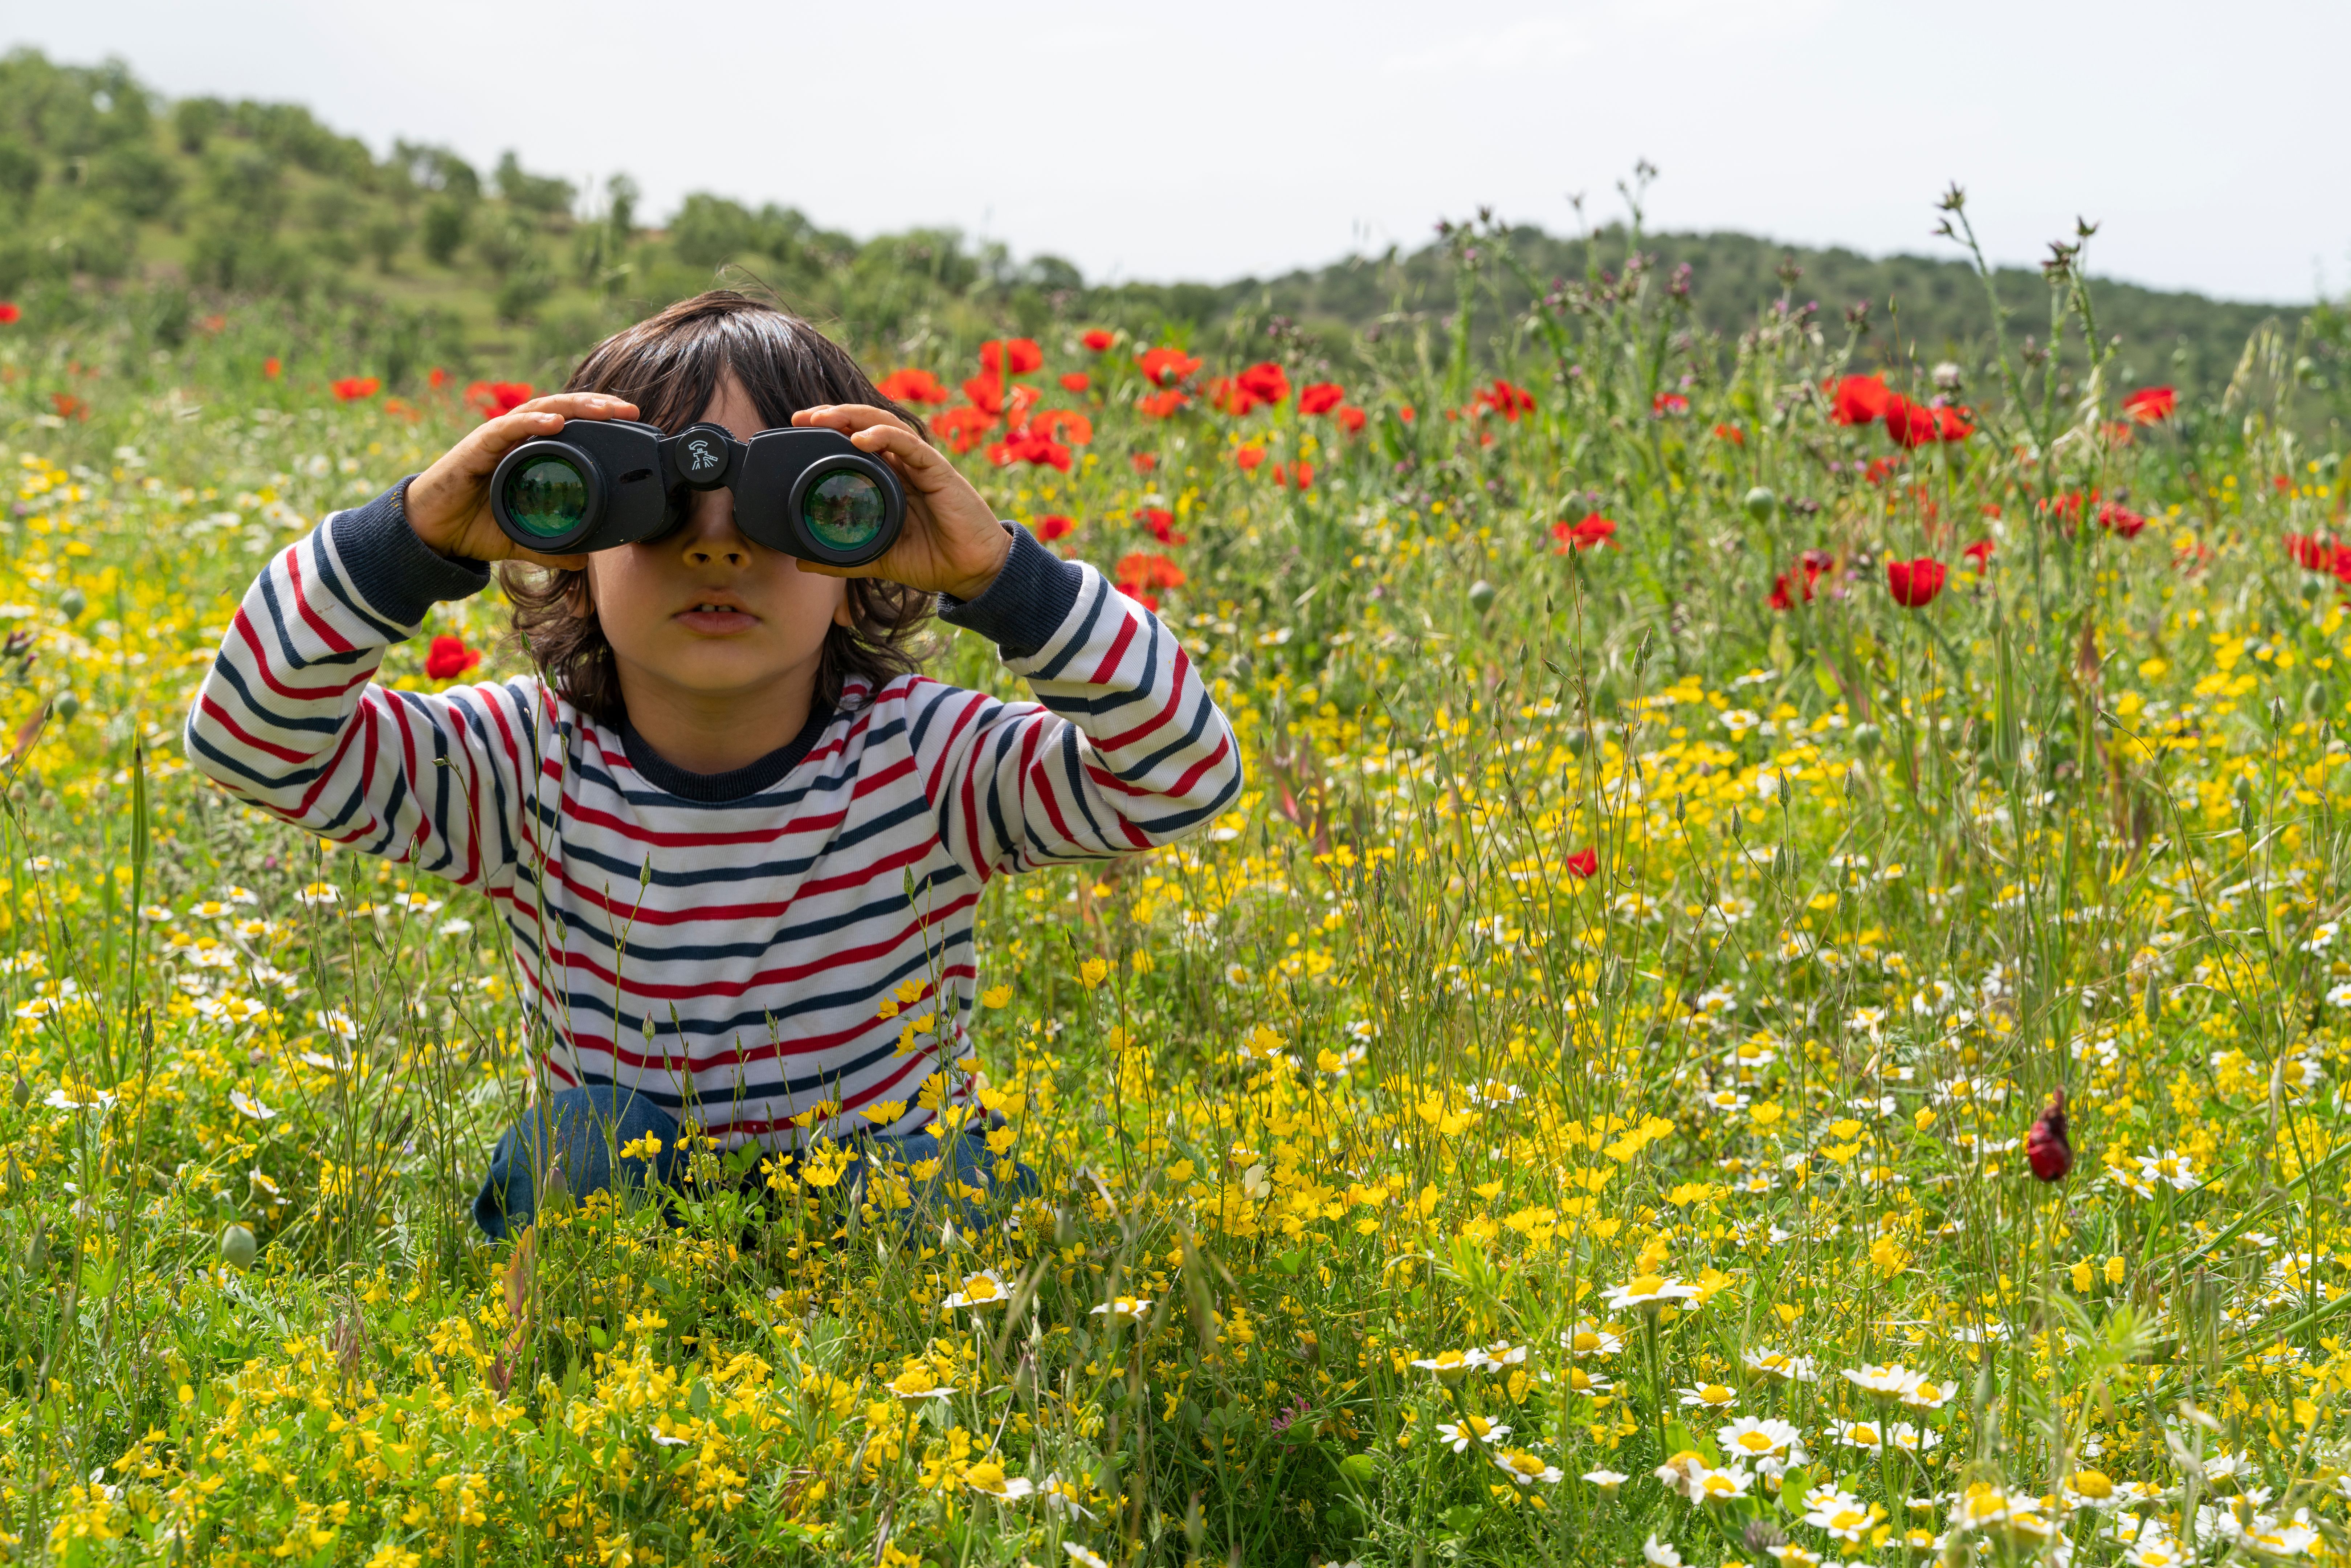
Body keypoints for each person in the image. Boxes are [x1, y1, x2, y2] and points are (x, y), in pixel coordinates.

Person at [184, 290, 1241, 1239]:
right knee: (580, 1145)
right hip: (640, 1205)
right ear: (572, 550)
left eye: (799, 509)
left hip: (880, 1192)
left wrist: (1003, 577)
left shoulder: (927, 760)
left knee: (946, 1182)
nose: (717, 546)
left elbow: (1183, 774)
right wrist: (410, 536)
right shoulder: (523, 763)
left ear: (864, 557)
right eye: (655, 508)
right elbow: (250, 740)